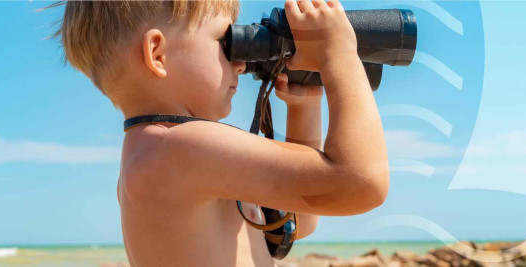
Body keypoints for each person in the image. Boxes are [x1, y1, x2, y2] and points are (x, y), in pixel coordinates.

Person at [51, 0, 389, 265]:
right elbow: (360, 183)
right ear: (158, 54)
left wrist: (303, 109)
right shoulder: (180, 148)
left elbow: (298, 222)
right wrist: (338, 55)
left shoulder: (160, 150)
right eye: (224, 42)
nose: (240, 64)